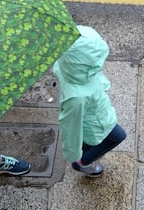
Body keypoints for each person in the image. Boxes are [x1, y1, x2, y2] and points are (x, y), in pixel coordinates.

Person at [53, 25, 126, 178]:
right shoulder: (77, 98)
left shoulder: (66, 66)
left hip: (94, 114)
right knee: (118, 136)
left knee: (88, 143)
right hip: (96, 123)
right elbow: (70, 127)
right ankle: (82, 162)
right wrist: (73, 154)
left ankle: (84, 151)